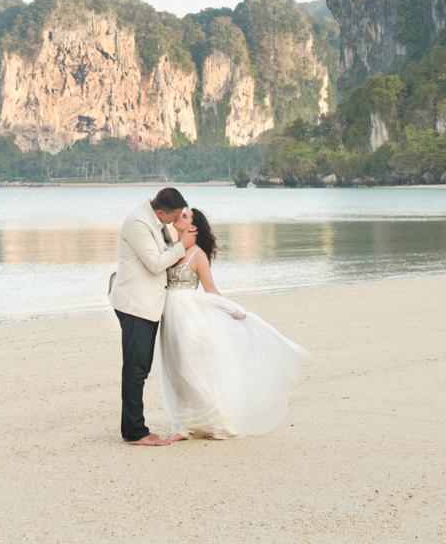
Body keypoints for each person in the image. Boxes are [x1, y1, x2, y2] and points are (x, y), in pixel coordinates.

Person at [157, 207, 310, 440]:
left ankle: (220, 424)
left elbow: (210, 289)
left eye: (185, 216)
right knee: (176, 372)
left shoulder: (198, 255)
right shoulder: (172, 249)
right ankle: (184, 427)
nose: (179, 216)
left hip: (190, 318)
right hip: (170, 318)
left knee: (191, 371)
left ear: (193, 227)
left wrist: (230, 308)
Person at [108, 186, 187, 446]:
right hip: (135, 304)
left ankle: (131, 428)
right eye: (173, 216)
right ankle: (135, 433)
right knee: (136, 369)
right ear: (161, 211)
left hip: (147, 303)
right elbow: (155, 264)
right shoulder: (138, 223)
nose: (175, 221)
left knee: (139, 367)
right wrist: (182, 246)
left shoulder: (157, 221)